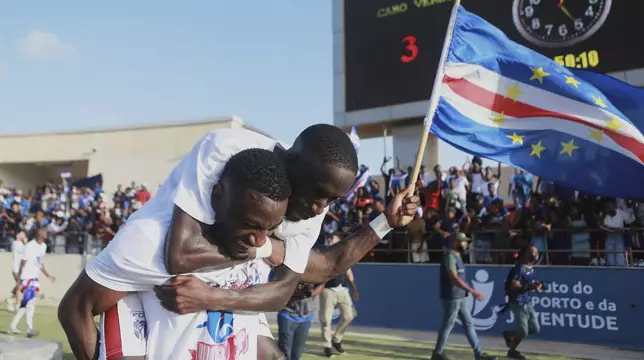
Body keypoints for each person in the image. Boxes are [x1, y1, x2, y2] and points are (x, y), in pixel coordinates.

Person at [58, 143, 419, 360]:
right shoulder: (153, 241)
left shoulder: (264, 242)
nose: (261, 239)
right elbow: (78, 308)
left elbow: (326, 265)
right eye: (252, 224)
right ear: (218, 198)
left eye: (269, 227)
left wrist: (385, 222)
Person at [432, 232, 497, 360]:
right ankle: (437, 354)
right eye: (463, 241)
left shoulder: (458, 256)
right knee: (448, 325)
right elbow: (454, 278)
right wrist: (473, 291)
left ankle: (479, 354)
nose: (466, 243)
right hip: (452, 298)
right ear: (456, 242)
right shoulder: (450, 256)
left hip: (460, 297)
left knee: (468, 324)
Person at [8, 228, 56, 337]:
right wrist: (19, 280)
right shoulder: (29, 246)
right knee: (30, 303)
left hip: (34, 278)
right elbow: (22, 263)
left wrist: (47, 275)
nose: (44, 238)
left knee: (28, 303)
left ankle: (13, 326)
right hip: (26, 278)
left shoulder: (43, 247)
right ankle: (28, 328)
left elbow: (40, 262)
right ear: (38, 235)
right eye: (43, 236)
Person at [319, 232, 359, 358]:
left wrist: (355, 289)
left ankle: (336, 339)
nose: (330, 240)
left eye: (332, 238)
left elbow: (349, 273)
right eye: (329, 238)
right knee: (326, 320)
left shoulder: (344, 254)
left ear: (339, 240)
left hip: (342, 290)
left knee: (349, 315)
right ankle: (327, 346)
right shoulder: (324, 254)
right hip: (328, 290)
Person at [502, 244, 543, 360]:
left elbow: (529, 283)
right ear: (526, 254)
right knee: (523, 331)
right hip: (517, 302)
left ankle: (509, 334)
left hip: (527, 301)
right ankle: (512, 351)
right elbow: (514, 286)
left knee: (535, 329)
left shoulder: (531, 267)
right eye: (534, 252)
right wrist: (529, 287)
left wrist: (538, 285)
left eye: (537, 252)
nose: (537, 255)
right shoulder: (519, 268)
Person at [277, 282, 324, 360]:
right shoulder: (285, 270)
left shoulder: (314, 272)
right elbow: (278, 285)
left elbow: (322, 284)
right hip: (287, 313)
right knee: (285, 350)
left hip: (306, 316)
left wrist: (310, 293)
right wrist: (293, 291)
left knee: (297, 352)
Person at [5, 230, 27, 312]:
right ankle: (17, 305)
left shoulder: (21, 244)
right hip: (16, 268)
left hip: (20, 269)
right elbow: (25, 252)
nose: (24, 234)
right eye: (22, 233)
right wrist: (26, 243)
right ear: (18, 235)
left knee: (19, 286)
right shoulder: (15, 244)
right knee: (19, 286)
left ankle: (10, 299)